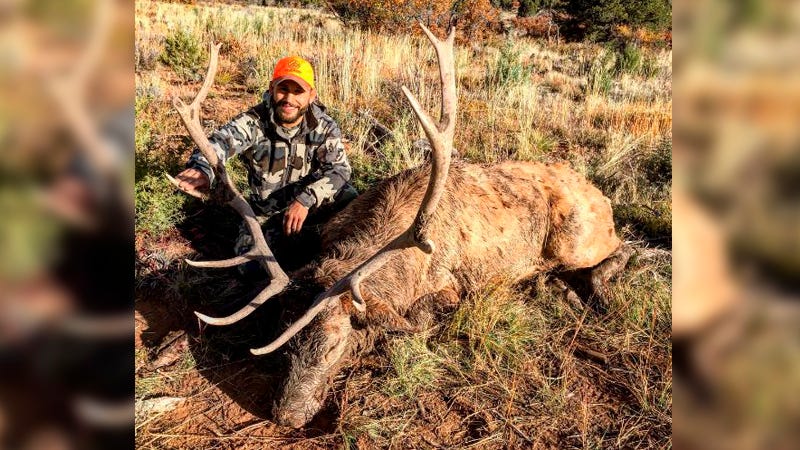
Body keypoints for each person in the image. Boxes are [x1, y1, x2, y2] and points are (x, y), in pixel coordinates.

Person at [172, 55, 357, 273]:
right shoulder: (253, 122)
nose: (289, 98)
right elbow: (217, 145)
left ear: (311, 95)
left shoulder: (323, 126)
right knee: (249, 267)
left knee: (350, 198)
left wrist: (306, 199)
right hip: (266, 212)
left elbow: (340, 169)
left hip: (307, 203)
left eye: (298, 92)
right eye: (283, 89)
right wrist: (202, 169)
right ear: (271, 88)